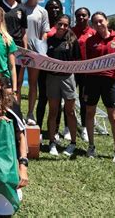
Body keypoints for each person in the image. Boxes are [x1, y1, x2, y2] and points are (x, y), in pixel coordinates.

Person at [85, 11, 115, 165]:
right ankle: (91, 146)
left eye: (100, 21)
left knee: (114, 116)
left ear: (107, 21)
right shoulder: (91, 41)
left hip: (110, 82)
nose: (98, 24)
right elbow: (87, 63)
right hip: (92, 82)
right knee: (90, 112)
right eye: (95, 22)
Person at [45, 15, 81, 157]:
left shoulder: (72, 41)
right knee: (53, 112)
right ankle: (52, 142)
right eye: (60, 24)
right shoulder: (49, 40)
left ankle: (72, 143)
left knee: (70, 112)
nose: (62, 27)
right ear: (55, 24)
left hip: (68, 78)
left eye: (65, 25)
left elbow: (78, 61)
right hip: (52, 78)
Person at [36, 0, 66, 141]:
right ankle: (39, 129)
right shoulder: (42, 26)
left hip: (58, 72)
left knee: (57, 101)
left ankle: (55, 130)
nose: (54, 10)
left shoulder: (65, 28)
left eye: (57, 8)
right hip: (43, 70)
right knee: (42, 99)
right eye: (51, 8)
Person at [22, 0, 50, 125]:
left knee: (33, 84)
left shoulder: (42, 11)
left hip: (34, 53)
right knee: (17, 83)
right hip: (20, 51)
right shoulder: (20, 8)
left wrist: (40, 48)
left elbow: (45, 32)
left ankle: (30, 113)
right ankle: (17, 112)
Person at [0, 0, 27, 106]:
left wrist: (25, 50)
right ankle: (0, 107)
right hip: (2, 46)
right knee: (1, 79)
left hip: (17, 49)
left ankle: (15, 110)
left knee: (16, 81)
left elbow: (24, 32)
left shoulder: (22, 8)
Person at [71, 7, 95, 142]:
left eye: (84, 15)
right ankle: (68, 127)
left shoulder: (93, 32)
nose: (81, 18)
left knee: (84, 100)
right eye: (78, 15)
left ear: (88, 17)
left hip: (87, 73)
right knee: (69, 100)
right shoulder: (71, 32)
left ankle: (84, 128)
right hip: (72, 71)